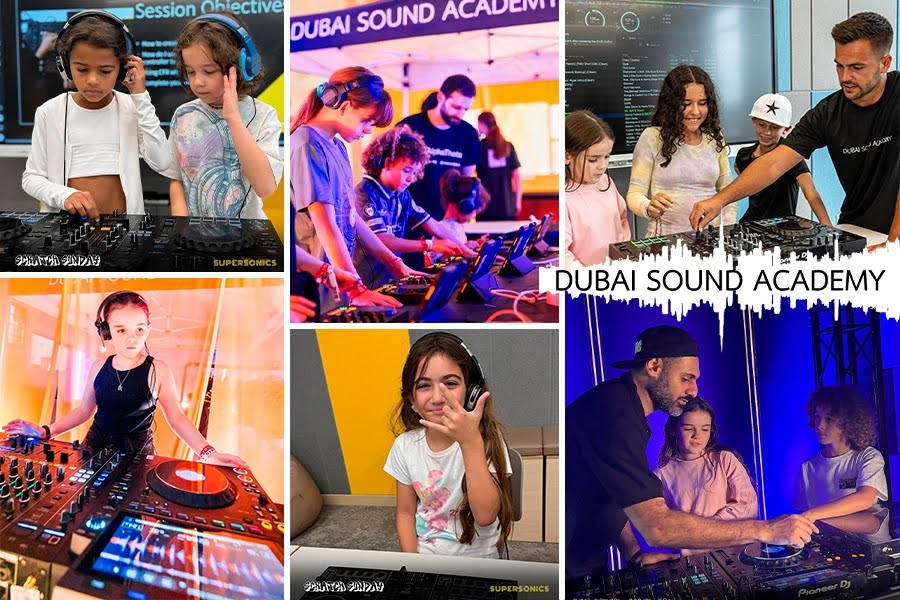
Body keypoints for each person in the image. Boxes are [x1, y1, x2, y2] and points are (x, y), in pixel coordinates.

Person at [566, 325, 817, 578]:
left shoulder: (623, 409)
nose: (693, 390)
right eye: (686, 378)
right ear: (654, 367)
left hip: (587, 563)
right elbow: (657, 528)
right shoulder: (615, 416)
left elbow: (614, 493)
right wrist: (767, 530)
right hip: (565, 568)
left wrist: (633, 554)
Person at [691, 12, 898, 246]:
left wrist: (894, 241)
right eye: (839, 66)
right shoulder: (827, 113)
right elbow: (773, 164)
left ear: (885, 63)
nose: (844, 77)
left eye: (856, 67)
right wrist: (719, 200)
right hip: (859, 227)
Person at [2, 291, 245, 468]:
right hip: (93, 448)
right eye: (121, 330)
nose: (132, 338)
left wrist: (207, 453)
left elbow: (178, 419)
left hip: (138, 455)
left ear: (148, 329)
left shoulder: (158, 370)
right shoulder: (98, 366)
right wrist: (45, 431)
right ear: (106, 331)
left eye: (139, 329)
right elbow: (84, 411)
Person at [22, 10, 169, 220]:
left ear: (122, 70)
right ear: (65, 67)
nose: (92, 80)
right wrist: (64, 195)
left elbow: (162, 162)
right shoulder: (49, 112)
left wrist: (140, 97)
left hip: (125, 231)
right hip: (66, 234)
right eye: (82, 69)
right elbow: (31, 178)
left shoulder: (132, 107)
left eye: (105, 71)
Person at [291, 66, 414, 308]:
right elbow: (325, 224)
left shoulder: (337, 146)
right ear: (344, 106)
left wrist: (394, 263)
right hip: (319, 286)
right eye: (366, 121)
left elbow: (350, 216)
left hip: (341, 283)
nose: (369, 130)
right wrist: (356, 289)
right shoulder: (306, 145)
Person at [384, 333, 513, 557]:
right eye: (424, 386)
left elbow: (485, 516)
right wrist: (412, 565)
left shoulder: (487, 440)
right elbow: (405, 514)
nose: (437, 397)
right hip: (426, 555)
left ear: (471, 392)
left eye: (450, 384)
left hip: (479, 556)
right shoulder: (404, 446)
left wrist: (470, 442)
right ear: (411, 397)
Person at [163, 13, 282, 219]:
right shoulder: (183, 116)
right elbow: (176, 179)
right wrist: (181, 225)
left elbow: (266, 188)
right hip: (195, 238)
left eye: (209, 71)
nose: (198, 81)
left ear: (242, 67)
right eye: (191, 72)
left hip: (247, 237)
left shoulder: (263, 116)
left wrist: (234, 119)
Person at [353, 126, 475, 287]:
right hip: (366, 282)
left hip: (391, 278)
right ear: (388, 163)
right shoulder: (364, 193)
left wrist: (466, 252)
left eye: (415, 172)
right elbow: (381, 240)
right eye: (407, 170)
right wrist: (429, 245)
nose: (411, 179)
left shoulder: (402, 195)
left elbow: (433, 224)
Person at [626, 65, 736, 236]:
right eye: (686, 104)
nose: (695, 111)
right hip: (666, 240)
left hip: (710, 238)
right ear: (671, 105)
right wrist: (647, 207)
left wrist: (726, 231)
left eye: (702, 103)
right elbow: (634, 193)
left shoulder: (715, 138)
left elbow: (728, 193)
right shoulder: (652, 137)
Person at [651, 397, 757, 556]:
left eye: (705, 429)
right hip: (689, 558)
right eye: (688, 428)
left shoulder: (724, 460)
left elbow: (748, 506)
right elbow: (660, 524)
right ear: (673, 429)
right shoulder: (661, 474)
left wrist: (707, 531)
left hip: (731, 554)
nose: (697, 436)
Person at [794, 385, 888, 522]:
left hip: (869, 541)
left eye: (829, 419)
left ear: (849, 422)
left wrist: (812, 515)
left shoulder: (868, 457)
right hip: (832, 541)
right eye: (817, 416)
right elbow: (803, 515)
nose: (819, 425)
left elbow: (865, 499)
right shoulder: (808, 467)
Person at [737, 94, 832, 224]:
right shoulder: (743, 156)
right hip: (752, 224)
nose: (767, 132)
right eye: (761, 125)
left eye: (774, 127)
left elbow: (811, 192)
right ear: (753, 121)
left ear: (786, 129)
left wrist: (829, 227)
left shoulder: (792, 159)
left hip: (783, 228)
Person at [398, 75, 481, 219]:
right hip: (407, 218)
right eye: (456, 107)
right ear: (441, 97)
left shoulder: (469, 134)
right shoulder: (409, 127)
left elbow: (465, 181)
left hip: (446, 221)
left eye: (465, 109)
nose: (460, 114)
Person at [565, 110, 630, 266]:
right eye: (593, 159)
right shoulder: (565, 199)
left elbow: (622, 222)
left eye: (606, 156)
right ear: (567, 156)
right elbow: (564, 255)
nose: (603, 166)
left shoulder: (606, 182)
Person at [476, 112, 522, 221]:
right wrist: (518, 201)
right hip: (506, 204)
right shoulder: (508, 146)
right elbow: (517, 177)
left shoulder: (480, 146)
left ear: (482, 124)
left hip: (485, 206)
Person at [436, 169, 491, 250]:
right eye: (474, 211)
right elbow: (436, 260)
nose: (474, 215)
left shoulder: (456, 226)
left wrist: (474, 245)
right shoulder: (443, 229)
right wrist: (463, 248)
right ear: (465, 206)